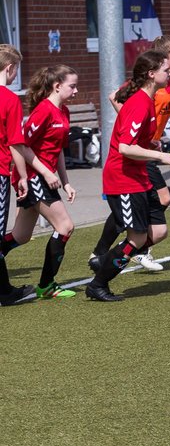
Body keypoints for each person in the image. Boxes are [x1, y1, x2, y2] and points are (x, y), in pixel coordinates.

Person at [89, 35, 170, 273]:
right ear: (161, 61)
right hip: (139, 154)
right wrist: (136, 128)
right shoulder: (142, 92)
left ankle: (126, 249)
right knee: (148, 204)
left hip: (147, 150)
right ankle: (116, 251)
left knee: (146, 207)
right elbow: (115, 97)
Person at [0, 65, 80, 299]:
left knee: (20, 236)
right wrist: (44, 173)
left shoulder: (63, 111)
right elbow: (22, 146)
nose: (76, 91)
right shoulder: (43, 111)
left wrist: (65, 181)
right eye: (72, 86)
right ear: (57, 86)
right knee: (65, 227)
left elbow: (59, 151)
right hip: (35, 178)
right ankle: (47, 285)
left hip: (48, 178)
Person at [0, 46, 34, 306]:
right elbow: (15, 144)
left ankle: (5, 290)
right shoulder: (9, 100)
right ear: (10, 68)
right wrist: (22, 176)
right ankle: (4, 292)